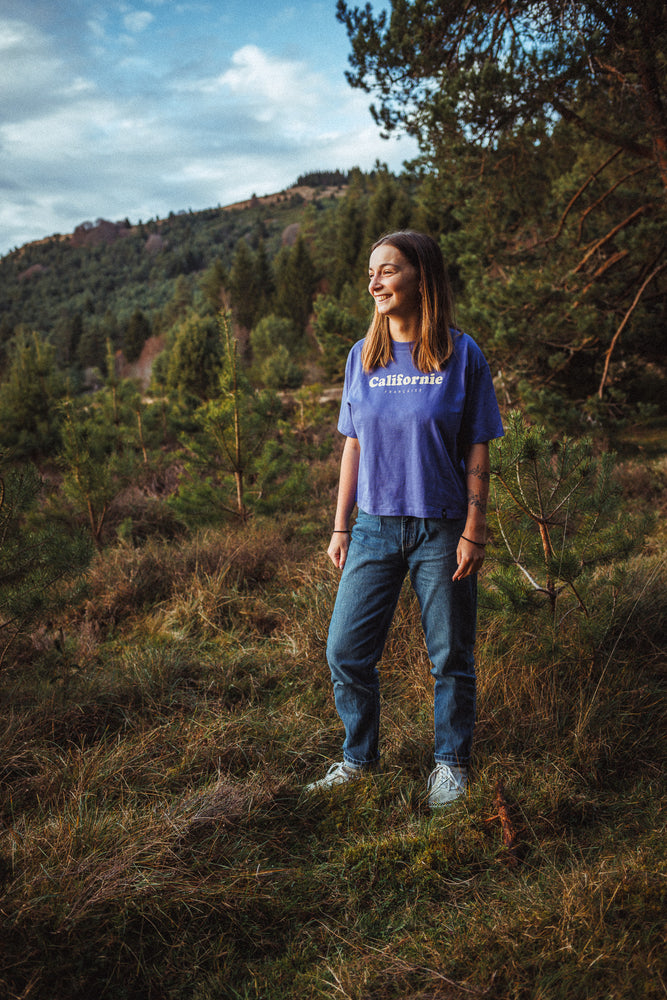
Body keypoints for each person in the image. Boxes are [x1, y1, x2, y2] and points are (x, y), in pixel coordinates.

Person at [305, 231, 504, 807]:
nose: (375, 283)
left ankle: (450, 764)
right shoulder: (360, 358)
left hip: (442, 527)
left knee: (450, 656)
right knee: (344, 650)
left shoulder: (461, 354)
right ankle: (358, 758)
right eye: (371, 272)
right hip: (373, 526)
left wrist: (475, 527)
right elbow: (353, 446)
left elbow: (477, 448)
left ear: (422, 277)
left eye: (388, 271)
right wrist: (341, 525)